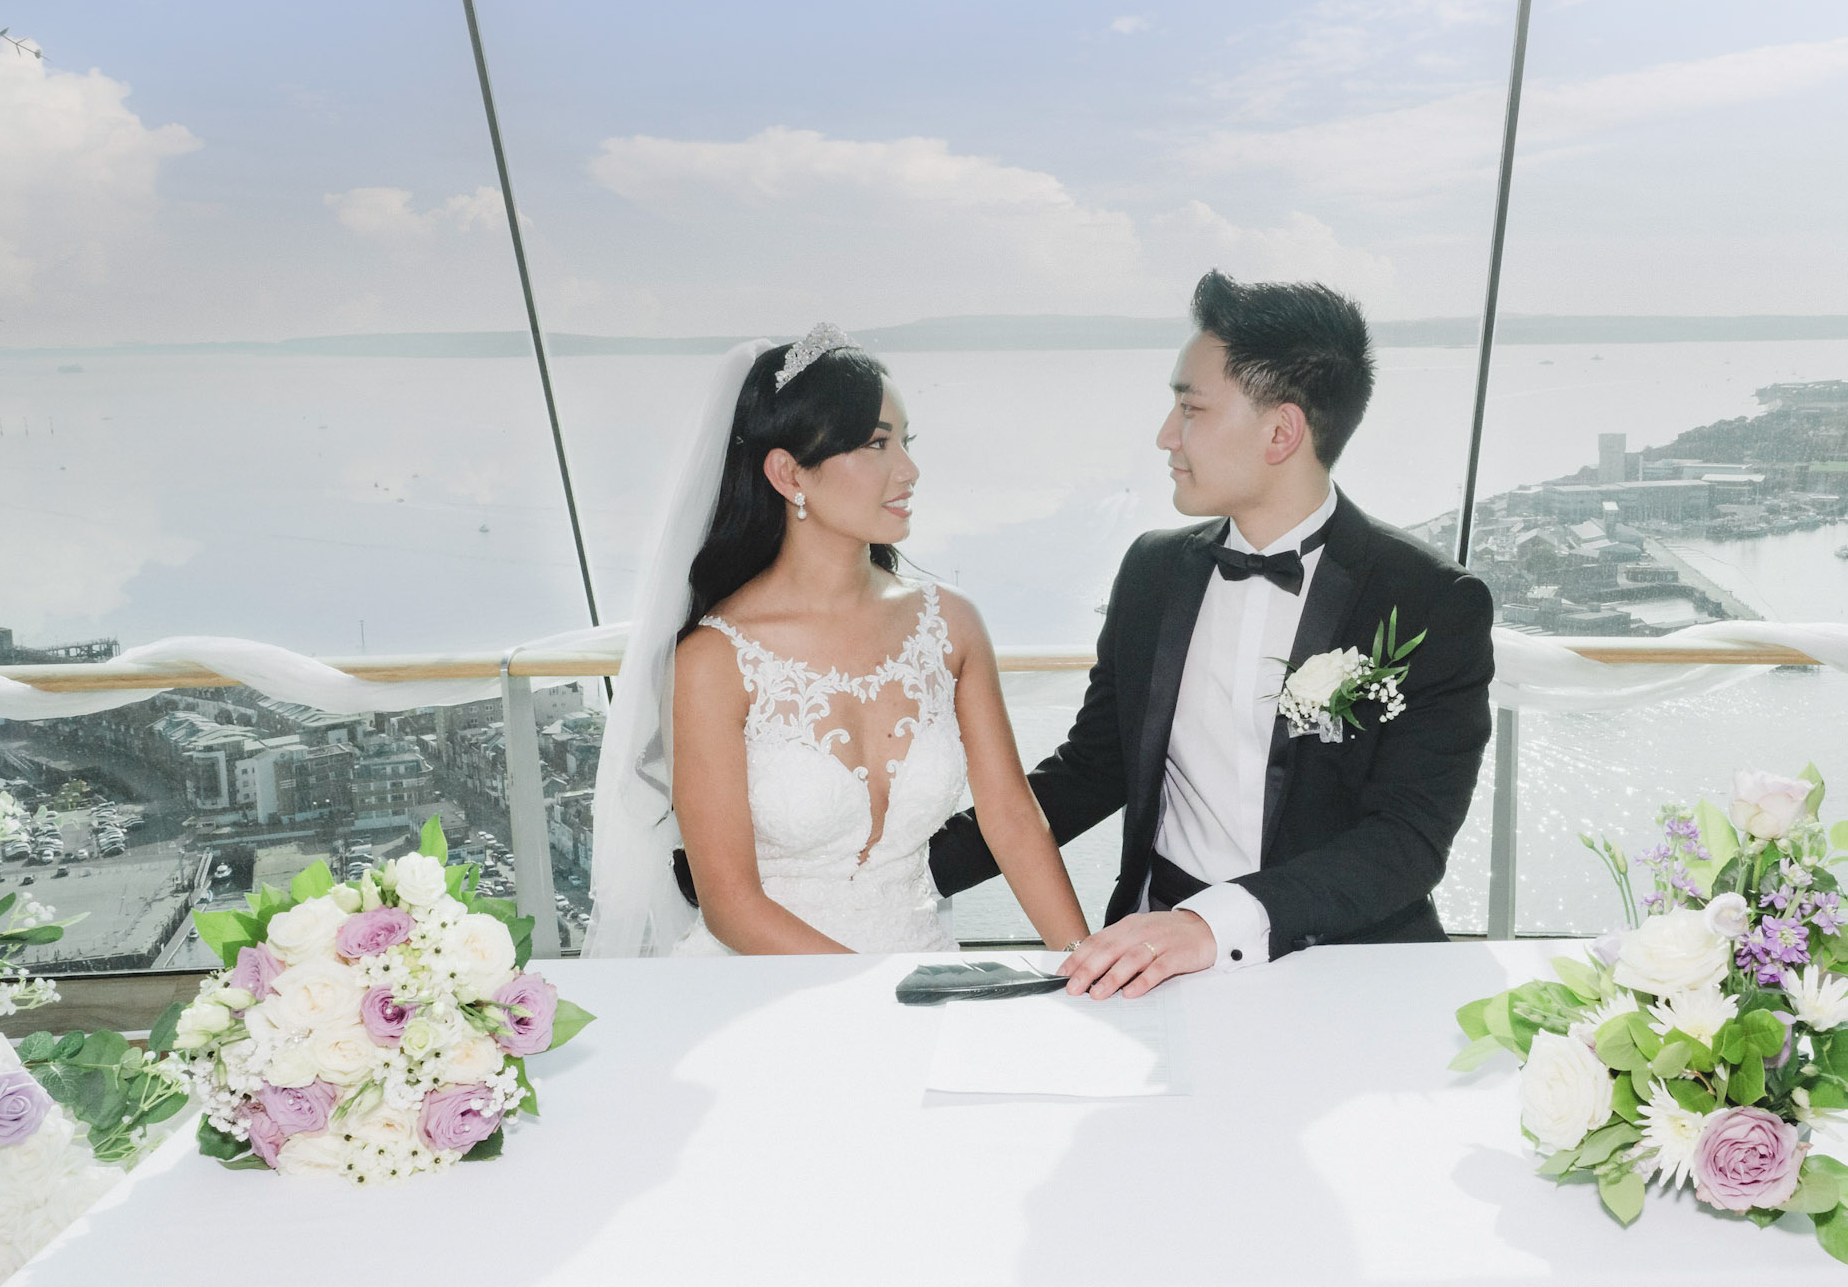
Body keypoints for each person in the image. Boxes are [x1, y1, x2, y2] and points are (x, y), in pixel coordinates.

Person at [929, 271, 1495, 997]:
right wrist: (896, 873)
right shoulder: (1151, 571)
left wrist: (1214, 923)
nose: (1166, 436)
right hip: (1154, 956)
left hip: (1344, 961)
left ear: (1282, 431)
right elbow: (1090, 772)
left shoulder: (1431, 600)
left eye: (1190, 409)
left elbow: (1406, 841)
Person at [582, 325, 1087, 957]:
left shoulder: (951, 624)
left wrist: (1083, 961)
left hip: (921, 966)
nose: (909, 469)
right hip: (768, 984)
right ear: (788, 472)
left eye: (906, 441)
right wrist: (875, 998)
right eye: (877, 444)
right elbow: (730, 904)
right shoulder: (715, 660)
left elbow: (1011, 819)